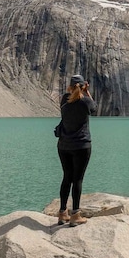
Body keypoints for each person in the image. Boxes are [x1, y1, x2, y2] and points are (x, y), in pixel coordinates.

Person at [56, 74, 97, 226]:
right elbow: (94, 108)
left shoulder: (64, 99)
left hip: (63, 145)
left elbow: (72, 99)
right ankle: (75, 215)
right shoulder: (85, 101)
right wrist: (87, 92)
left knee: (67, 177)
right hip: (81, 145)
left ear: (70, 86)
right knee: (77, 179)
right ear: (83, 86)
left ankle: (62, 213)